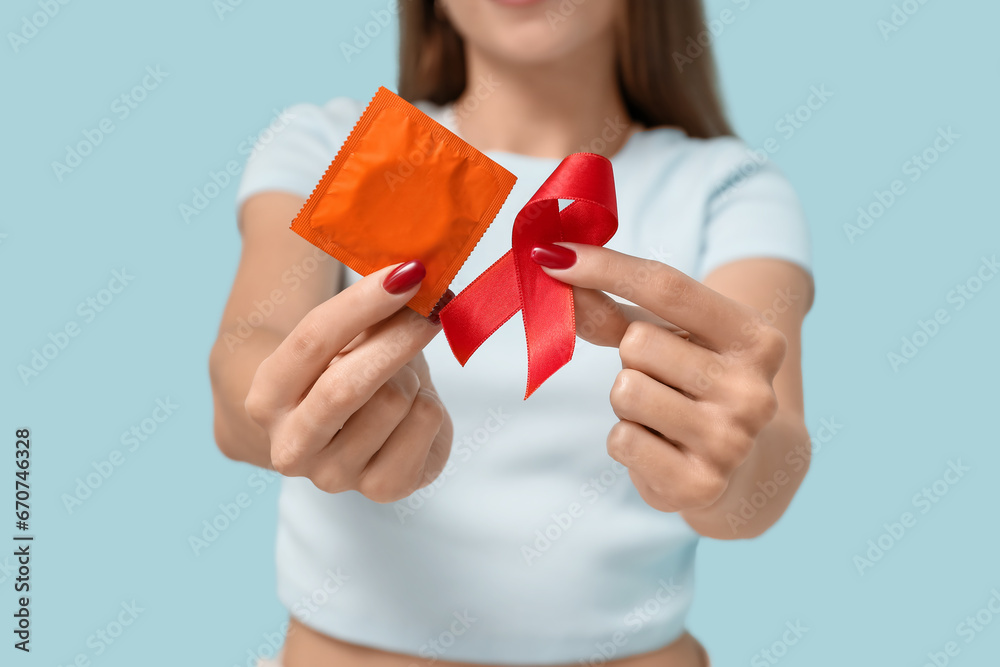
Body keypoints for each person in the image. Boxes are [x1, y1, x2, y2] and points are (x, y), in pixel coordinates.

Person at [208, 1, 815, 665]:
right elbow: (248, 354)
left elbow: (769, 452)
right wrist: (304, 408)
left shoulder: (725, 187)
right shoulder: (339, 146)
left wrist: (729, 462)